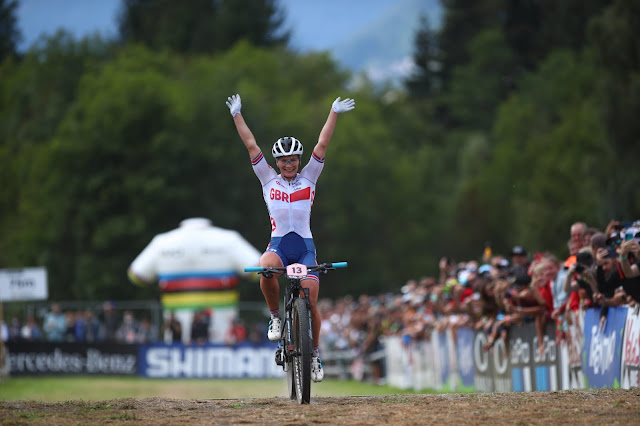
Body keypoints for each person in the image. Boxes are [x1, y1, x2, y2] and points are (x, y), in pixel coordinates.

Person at [226, 93, 355, 383]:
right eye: (284, 160)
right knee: (265, 265)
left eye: (294, 159)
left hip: (305, 249)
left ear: (299, 159)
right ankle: (274, 316)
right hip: (280, 246)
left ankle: (315, 354)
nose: (289, 164)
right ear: (277, 161)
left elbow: (322, 144)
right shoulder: (267, 178)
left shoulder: (310, 176)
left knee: (310, 300)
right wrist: (237, 114)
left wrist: (333, 112)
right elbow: (250, 144)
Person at [128, 217, 261, 344]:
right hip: (224, 339)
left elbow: (136, 276)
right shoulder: (230, 240)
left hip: (174, 342)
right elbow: (260, 270)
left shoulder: (161, 242)